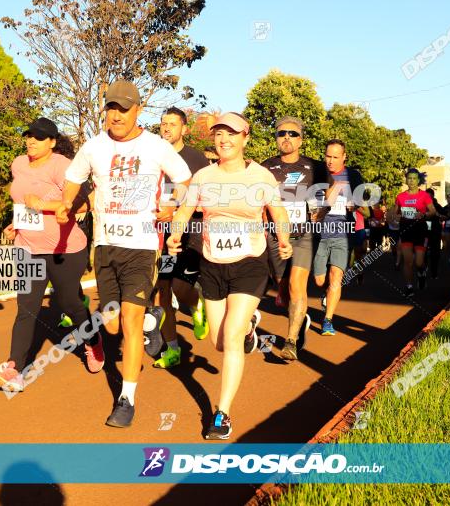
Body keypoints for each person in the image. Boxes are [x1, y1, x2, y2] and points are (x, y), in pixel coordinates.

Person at [56, 80, 191, 428]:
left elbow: (185, 179)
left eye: (123, 108)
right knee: (113, 324)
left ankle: (126, 399)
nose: (115, 115)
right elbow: (73, 178)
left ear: (138, 110)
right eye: (111, 108)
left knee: (128, 325)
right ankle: (152, 318)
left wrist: (171, 205)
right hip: (105, 246)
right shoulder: (93, 147)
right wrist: (65, 204)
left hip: (143, 247)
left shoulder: (156, 146)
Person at [167, 111, 292, 440]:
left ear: (245, 138)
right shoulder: (204, 177)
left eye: (231, 134)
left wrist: (283, 238)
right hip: (212, 263)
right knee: (218, 342)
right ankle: (250, 329)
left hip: (250, 261)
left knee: (232, 336)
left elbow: (278, 211)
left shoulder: (261, 176)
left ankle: (221, 414)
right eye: (219, 134)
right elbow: (183, 210)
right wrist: (175, 234)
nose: (224, 139)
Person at [0, 118, 104, 392]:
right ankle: (14, 368)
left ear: (52, 142)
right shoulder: (18, 163)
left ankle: (92, 340)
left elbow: (85, 203)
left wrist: (42, 204)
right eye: (28, 135)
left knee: (70, 304)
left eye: (38, 138)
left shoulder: (62, 166)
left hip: (64, 249)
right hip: (27, 247)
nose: (31, 141)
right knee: (26, 308)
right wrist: (15, 224)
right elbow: (21, 202)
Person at [261, 116, 326, 362]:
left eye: (292, 134)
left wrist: (319, 211)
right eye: (281, 133)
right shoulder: (265, 167)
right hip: (276, 236)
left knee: (297, 285)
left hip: (303, 234)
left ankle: (290, 342)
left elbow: (325, 200)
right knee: (283, 287)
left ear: (301, 139)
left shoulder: (315, 167)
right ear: (276, 138)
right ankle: (301, 321)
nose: (286, 137)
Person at [150, 106, 211, 370]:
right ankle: (172, 349)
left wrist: (175, 209)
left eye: (172, 124)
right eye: (163, 123)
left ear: (184, 129)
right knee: (162, 289)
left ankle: (197, 306)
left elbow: (206, 201)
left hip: (190, 234)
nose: (166, 128)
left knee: (179, 288)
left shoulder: (196, 159)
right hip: (160, 236)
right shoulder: (151, 156)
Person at [312, 139, 370, 336]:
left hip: (342, 234)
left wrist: (355, 205)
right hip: (320, 233)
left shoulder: (353, 176)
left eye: (336, 157)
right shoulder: (318, 172)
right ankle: (325, 293)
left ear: (344, 157)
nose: (331, 161)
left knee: (336, 277)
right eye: (328, 156)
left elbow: (364, 207)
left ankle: (328, 320)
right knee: (320, 281)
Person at [395, 169, 436, 295]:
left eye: (414, 178)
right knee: (407, 261)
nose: (411, 181)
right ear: (406, 180)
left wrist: (423, 214)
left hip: (420, 231)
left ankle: (421, 272)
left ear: (418, 180)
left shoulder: (424, 195)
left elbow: (432, 211)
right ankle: (409, 286)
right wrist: (396, 217)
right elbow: (396, 213)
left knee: (418, 262)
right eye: (409, 178)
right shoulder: (400, 196)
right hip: (406, 231)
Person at [425, 188, 445, 279]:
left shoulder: (438, 206)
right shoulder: (422, 205)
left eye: (429, 196)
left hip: (435, 231)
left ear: (433, 196)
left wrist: (438, 215)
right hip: (424, 231)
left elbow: (445, 216)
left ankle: (434, 272)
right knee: (423, 251)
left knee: (435, 253)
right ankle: (424, 267)